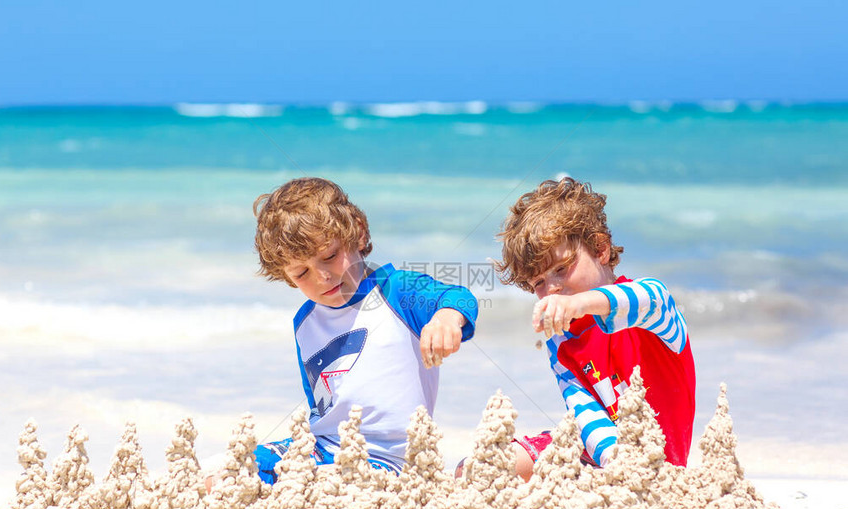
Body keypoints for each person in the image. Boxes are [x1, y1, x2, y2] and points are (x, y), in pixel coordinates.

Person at [251, 177, 478, 484]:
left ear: (357, 233)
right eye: (302, 273)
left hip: (391, 458)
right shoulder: (304, 323)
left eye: (329, 256)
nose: (322, 277)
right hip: (320, 448)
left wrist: (446, 320)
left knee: (329, 483)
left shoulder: (396, 290)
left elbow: (456, 297)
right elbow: (320, 402)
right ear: (288, 278)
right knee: (236, 468)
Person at [495, 177, 695, 480]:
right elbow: (585, 414)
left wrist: (580, 304)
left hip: (661, 470)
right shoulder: (560, 342)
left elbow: (648, 300)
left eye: (561, 269)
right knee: (487, 465)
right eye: (538, 283)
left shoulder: (650, 304)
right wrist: (617, 465)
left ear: (601, 249)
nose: (552, 289)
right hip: (603, 458)